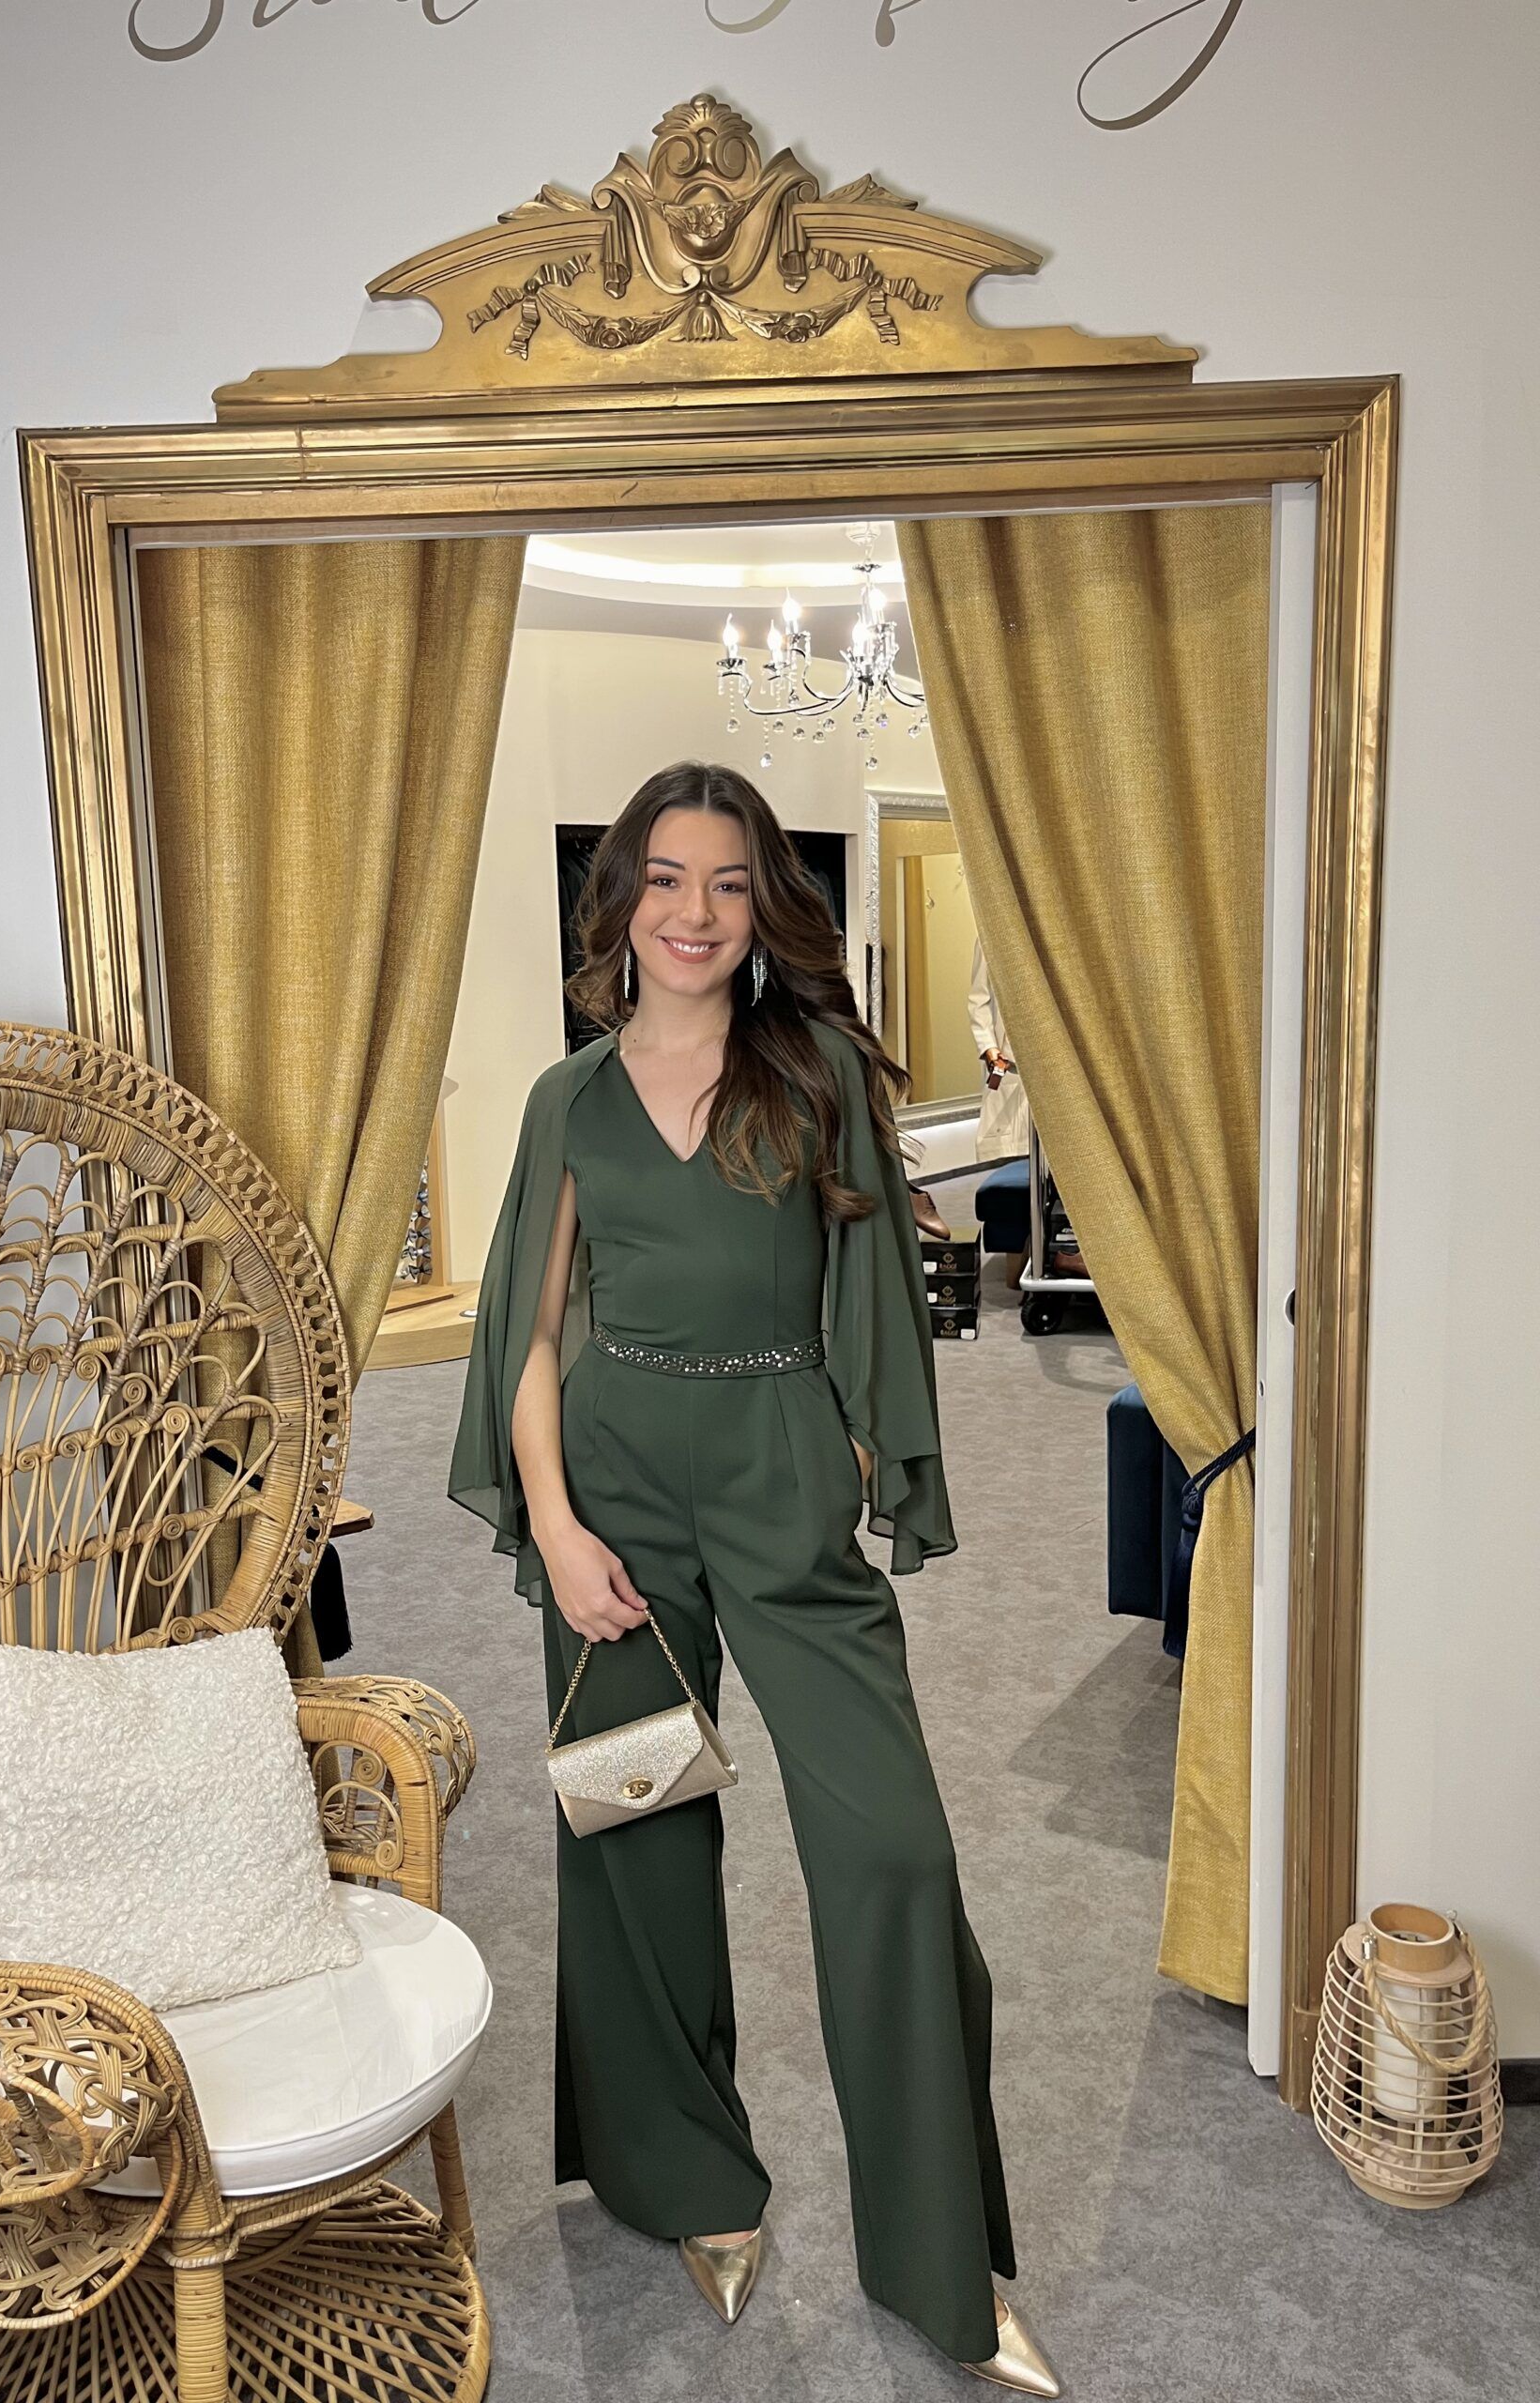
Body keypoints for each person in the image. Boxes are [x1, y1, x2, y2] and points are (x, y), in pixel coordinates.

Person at [449, 762, 1060, 2395]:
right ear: (620, 901)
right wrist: (557, 1526)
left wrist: (848, 1453)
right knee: (638, 1832)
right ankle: (687, 2179)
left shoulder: (815, 1074)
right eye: (666, 878)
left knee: (893, 1849)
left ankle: (940, 2259)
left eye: (729, 882)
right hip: (615, 1495)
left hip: (782, 1475)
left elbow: (876, 1288)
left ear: (765, 905)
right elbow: (528, 1333)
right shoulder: (568, 1100)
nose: (696, 911)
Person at [967, 934, 1031, 1165]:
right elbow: (978, 1000)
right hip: (1009, 1058)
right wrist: (989, 1047)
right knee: (1012, 1146)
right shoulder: (989, 936)